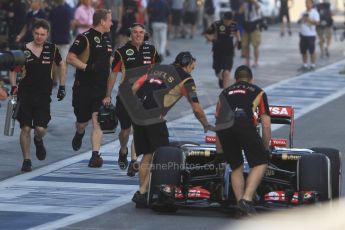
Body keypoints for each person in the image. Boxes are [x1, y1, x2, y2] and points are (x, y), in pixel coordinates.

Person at [130, 51, 213, 208]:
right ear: (187, 64)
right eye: (192, 68)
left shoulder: (157, 69)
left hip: (138, 114)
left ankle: (143, 193)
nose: (192, 71)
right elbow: (196, 107)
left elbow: (134, 87)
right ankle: (155, 191)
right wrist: (205, 124)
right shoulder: (187, 79)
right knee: (163, 154)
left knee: (147, 155)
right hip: (154, 116)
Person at [102, 23, 160, 176]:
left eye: (141, 32)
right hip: (126, 96)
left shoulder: (151, 50)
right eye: (135, 32)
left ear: (144, 34)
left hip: (145, 96)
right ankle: (123, 149)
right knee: (125, 131)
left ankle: (134, 161)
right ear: (131, 34)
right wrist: (107, 95)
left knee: (137, 129)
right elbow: (113, 74)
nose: (139, 35)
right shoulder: (122, 52)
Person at [9, 19, 66, 172]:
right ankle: (26, 160)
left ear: (47, 34)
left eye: (42, 34)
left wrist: (62, 85)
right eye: (37, 34)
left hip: (43, 95)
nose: (39, 37)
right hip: (25, 94)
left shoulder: (52, 48)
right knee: (25, 128)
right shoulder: (23, 49)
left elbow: (62, 64)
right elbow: (13, 69)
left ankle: (38, 140)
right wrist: (14, 86)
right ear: (32, 33)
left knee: (40, 128)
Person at [215, 65, 271, 216]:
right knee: (260, 163)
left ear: (235, 79)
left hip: (224, 127)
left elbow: (218, 122)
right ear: (251, 79)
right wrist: (265, 149)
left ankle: (240, 206)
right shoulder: (258, 91)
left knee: (236, 166)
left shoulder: (224, 93)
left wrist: (219, 150)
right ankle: (246, 200)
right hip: (243, 123)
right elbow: (265, 123)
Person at [66, 9, 113, 167]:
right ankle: (79, 134)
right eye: (110, 20)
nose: (111, 23)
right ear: (102, 21)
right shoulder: (84, 38)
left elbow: (109, 63)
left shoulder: (107, 40)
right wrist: (86, 67)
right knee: (82, 122)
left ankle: (95, 155)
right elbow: (70, 58)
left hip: (99, 88)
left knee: (97, 121)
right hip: (83, 88)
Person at [204, 11, 241, 89]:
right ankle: (220, 78)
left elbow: (237, 33)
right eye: (226, 20)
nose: (228, 22)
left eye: (229, 20)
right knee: (217, 71)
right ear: (223, 19)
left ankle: (225, 91)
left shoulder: (234, 25)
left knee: (227, 71)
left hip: (229, 51)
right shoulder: (216, 24)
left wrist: (239, 41)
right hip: (217, 51)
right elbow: (207, 33)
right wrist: (212, 39)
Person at [49, 0, 73, 86]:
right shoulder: (69, 9)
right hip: (65, 39)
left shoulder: (53, 10)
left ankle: (54, 80)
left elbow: (50, 24)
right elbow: (71, 23)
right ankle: (62, 82)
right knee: (63, 62)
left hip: (54, 38)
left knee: (54, 62)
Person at [298, 0, 320, 71]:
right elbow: (298, 22)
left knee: (312, 51)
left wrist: (309, 20)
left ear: (312, 4)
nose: (307, 4)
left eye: (308, 3)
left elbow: (317, 23)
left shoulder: (315, 12)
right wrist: (301, 19)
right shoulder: (303, 12)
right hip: (303, 34)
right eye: (306, 3)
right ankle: (305, 65)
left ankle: (313, 65)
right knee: (303, 51)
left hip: (311, 35)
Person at [239, 0, 262, 67]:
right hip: (246, 25)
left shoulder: (256, 2)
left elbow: (258, 7)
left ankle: (255, 61)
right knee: (245, 45)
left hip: (254, 24)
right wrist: (243, 4)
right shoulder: (245, 3)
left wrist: (254, 2)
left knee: (255, 45)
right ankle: (246, 60)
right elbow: (240, 11)